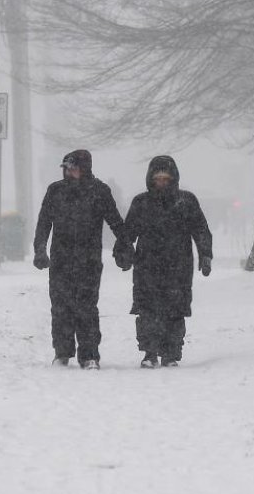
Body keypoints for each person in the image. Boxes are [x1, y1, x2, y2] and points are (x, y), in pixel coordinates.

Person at [33, 149, 126, 370]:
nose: (69, 172)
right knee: (61, 307)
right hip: (60, 259)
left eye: (73, 168)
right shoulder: (55, 191)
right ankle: (62, 352)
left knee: (86, 307)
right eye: (67, 168)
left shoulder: (100, 192)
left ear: (84, 169)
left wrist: (124, 244)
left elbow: (115, 220)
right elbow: (44, 223)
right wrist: (39, 249)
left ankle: (89, 354)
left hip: (89, 260)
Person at [116, 155, 212, 368]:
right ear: (151, 179)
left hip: (178, 266)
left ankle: (171, 353)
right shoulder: (141, 202)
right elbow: (128, 232)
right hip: (147, 265)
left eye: (166, 178)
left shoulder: (186, 201)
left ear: (173, 179)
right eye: (157, 178)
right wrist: (123, 253)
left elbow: (201, 229)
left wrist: (206, 254)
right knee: (147, 310)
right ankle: (149, 352)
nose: (161, 182)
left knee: (175, 310)